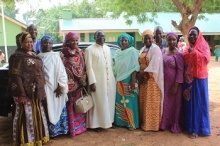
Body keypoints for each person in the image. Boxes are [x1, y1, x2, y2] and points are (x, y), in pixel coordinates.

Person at [9, 32, 49, 145]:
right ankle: (25, 141)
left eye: (31, 42)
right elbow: (15, 76)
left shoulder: (34, 55)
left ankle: (37, 139)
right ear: (20, 43)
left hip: (36, 91)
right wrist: (21, 93)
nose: (29, 44)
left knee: (37, 114)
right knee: (25, 116)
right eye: (26, 42)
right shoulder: (16, 57)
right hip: (24, 92)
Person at [38, 35, 69, 138]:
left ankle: (60, 130)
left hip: (56, 88)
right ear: (41, 44)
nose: (47, 45)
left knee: (58, 107)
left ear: (52, 45)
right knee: (47, 108)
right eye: (45, 43)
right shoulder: (38, 57)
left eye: (50, 43)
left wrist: (61, 86)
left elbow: (62, 73)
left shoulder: (55, 56)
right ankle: (49, 133)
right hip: (45, 89)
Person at [85, 30, 116, 132]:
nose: (101, 38)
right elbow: (89, 67)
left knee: (108, 100)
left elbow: (110, 65)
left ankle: (108, 121)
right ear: (94, 37)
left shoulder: (107, 48)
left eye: (103, 36)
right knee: (98, 101)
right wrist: (92, 82)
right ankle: (96, 124)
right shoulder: (89, 49)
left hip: (108, 79)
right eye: (99, 36)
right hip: (97, 80)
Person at [183, 26, 211, 138]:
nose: (192, 36)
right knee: (189, 104)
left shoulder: (203, 46)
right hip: (188, 81)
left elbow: (206, 59)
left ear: (198, 35)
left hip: (199, 80)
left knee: (198, 103)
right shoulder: (187, 47)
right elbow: (184, 58)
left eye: (194, 34)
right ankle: (190, 126)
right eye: (190, 34)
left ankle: (198, 129)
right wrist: (190, 52)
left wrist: (194, 52)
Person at [61, 32, 87, 136]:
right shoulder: (62, 54)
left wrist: (83, 78)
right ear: (67, 42)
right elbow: (61, 69)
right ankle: (72, 129)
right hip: (69, 85)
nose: (75, 42)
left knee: (80, 104)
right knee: (71, 105)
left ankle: (80, 127)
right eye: (72, 40)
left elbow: (85, 66)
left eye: (76, 40)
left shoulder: (81, 52)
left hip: (80, 84)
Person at [138, 29, 164, 131]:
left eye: (149, 38)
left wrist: (144, 75)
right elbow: (139, 63)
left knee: (152, 102)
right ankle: (144, 123)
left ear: (152, 39)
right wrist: (140, 76)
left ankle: (153, 125)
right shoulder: (142, 49)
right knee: (144, 102)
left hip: (152, 80)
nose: (147, 40)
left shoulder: (155, 49)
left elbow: (154, 65)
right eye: (145, 38)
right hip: (143, 80)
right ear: (142, 39)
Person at [114, 33, 140, 130]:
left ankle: (132, 123)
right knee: (120, 101)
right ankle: (121, 122)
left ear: (129, 41)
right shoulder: (117, 53)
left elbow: (135, 67)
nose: (124, 42)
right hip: (119, 80)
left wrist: (133, 81)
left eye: (126, 40)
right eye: (122, 40)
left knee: (130, 102)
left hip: (129, 80)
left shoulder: (132, 51)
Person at [160, 32, 184, 133]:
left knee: (174, 104)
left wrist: (176, 85)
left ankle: (174, 125)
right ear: (167, 40)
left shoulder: (179, 54)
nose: (171, 42)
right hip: (163, 83)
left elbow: (180, 70)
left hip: (174, 84)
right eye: (169, 39)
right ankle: (164, 124)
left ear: (177, 40)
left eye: (174, 39)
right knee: (165, 103)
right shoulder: (163, 51)